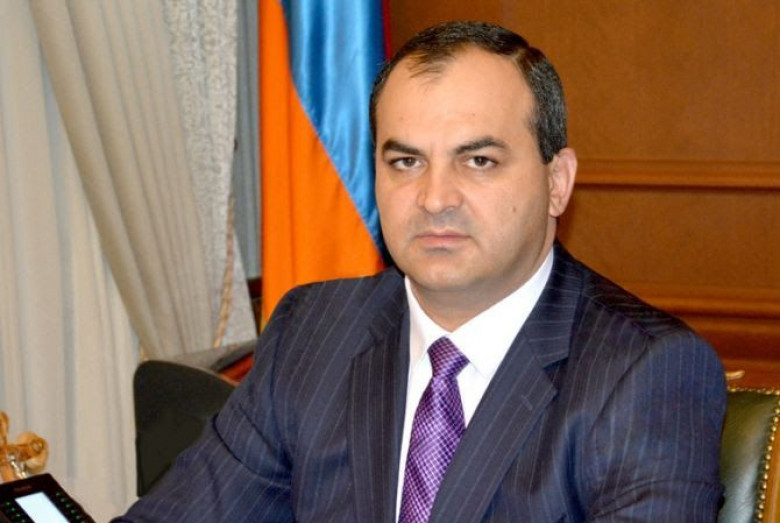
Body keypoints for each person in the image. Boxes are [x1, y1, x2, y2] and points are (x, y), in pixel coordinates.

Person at [116, 21, 726, 522]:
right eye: (406, 162)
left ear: (557, 182)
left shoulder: (644, 370)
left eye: (478, 161)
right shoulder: (314, 330)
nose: (435, 198)